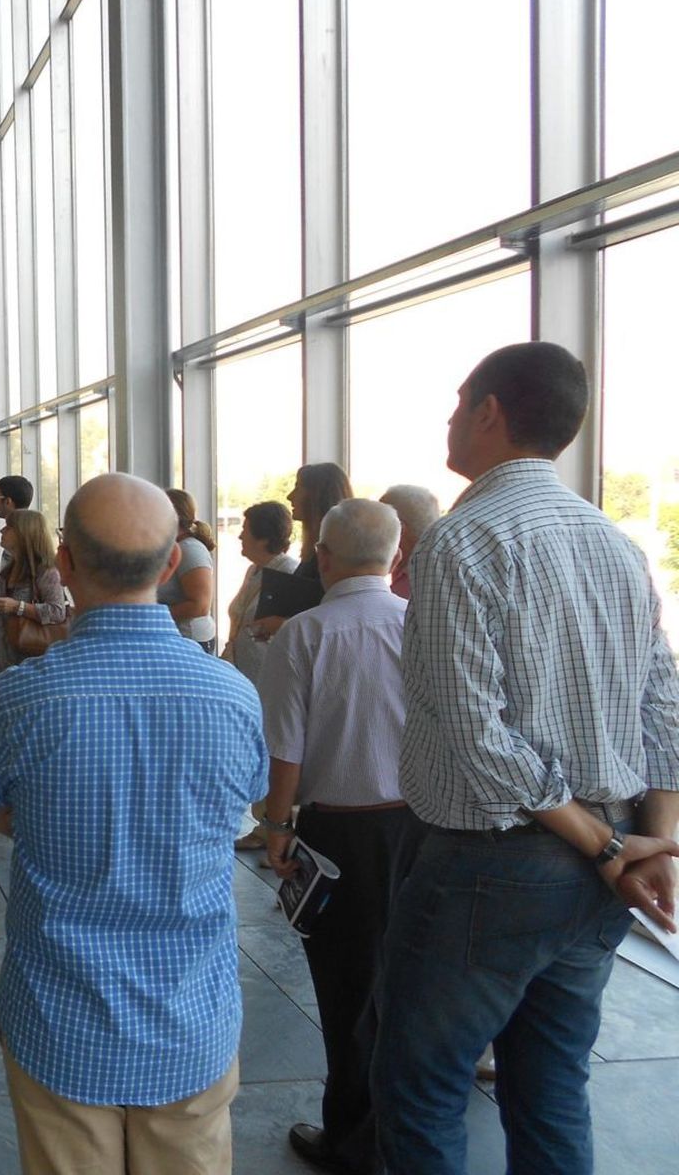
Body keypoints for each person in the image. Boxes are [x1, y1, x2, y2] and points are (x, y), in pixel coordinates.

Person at [371, 342, 679, 1175]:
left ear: (490, 411)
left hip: (494, 866)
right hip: (601, 864)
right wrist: (650, 839)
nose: (448, 418)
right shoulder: (613, 542)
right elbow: (662, 704)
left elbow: (480, 737)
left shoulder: (460, 541)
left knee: (419, 1087)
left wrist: (611, 847)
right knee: (550, 1086)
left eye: (457, 400)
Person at [0, 473, 268, 1175]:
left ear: (64, 562)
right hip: (191, 1020)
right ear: (172, 565)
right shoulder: (232, 695)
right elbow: (237, 811)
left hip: (58, 1019)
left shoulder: (23, 697)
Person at [257, 500, 427, 1175]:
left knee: (345, 990)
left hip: (336, 835)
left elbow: (286, 754)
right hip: (423, 827)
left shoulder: (305, 634)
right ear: (397, 557)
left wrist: (275, 827)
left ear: (323, 555)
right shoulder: (421, 624)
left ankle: (351, 1136)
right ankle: (406, 1126)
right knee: (410, 983)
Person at [221, 500, 298, 851]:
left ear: (263, 535)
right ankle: (262, 823)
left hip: (270, 675)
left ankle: (274, 827)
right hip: (245, 673)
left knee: (272, 746)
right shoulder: (255, 571)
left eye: (246, 528)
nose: (239, 534)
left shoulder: (288, 573)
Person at [252, 464, 353, 643]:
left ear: (316, 495)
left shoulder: (333, 556)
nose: (290, 496)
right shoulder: (318, 551)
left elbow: (336, 618)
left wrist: (281, 625)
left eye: (298, 487)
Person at [0, 508, 68, 674]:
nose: (2, 530)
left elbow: (58, 611)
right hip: (4, 655)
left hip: (32, 659)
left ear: (24, 534)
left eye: (8, 527)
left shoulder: (47, 571)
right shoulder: (8, 569)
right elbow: (4, 616)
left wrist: (17, 606)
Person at [161, 488, 217, 651]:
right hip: (177, 636)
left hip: (190, 639)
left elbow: (199, 605)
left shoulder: (191, 549)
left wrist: (151, 617)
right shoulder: (174, 547)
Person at [376, 484, 439, 600]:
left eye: (378, 524)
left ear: (399, 529)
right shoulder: (429, 566)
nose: (373, 533)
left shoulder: (418, 583)